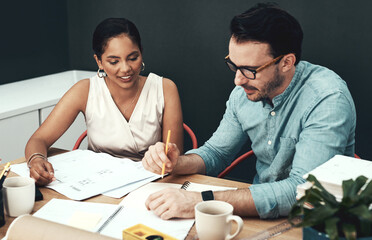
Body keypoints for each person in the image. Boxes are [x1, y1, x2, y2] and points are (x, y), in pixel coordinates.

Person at [142, 3, 356, 219]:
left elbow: (304, 191)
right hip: (256, 215)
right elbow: (216, 153)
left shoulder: (327, 98)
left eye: (250, 70)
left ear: (286, 62)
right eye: (234, 66)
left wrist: (202, 202)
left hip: (317, 221)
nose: (238, 80)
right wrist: (177, 163)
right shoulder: (244, 93)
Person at [25, 18, 183, 186]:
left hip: (151, 183)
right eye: (114, 61)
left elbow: (174, 158)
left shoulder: (164, 88)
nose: (125, 68)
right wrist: (36, 159)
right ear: (99, 61)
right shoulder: (85, 90)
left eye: (133, 58)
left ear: (141, 52)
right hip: (97, 185)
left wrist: (164, 162)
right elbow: (38, 140)